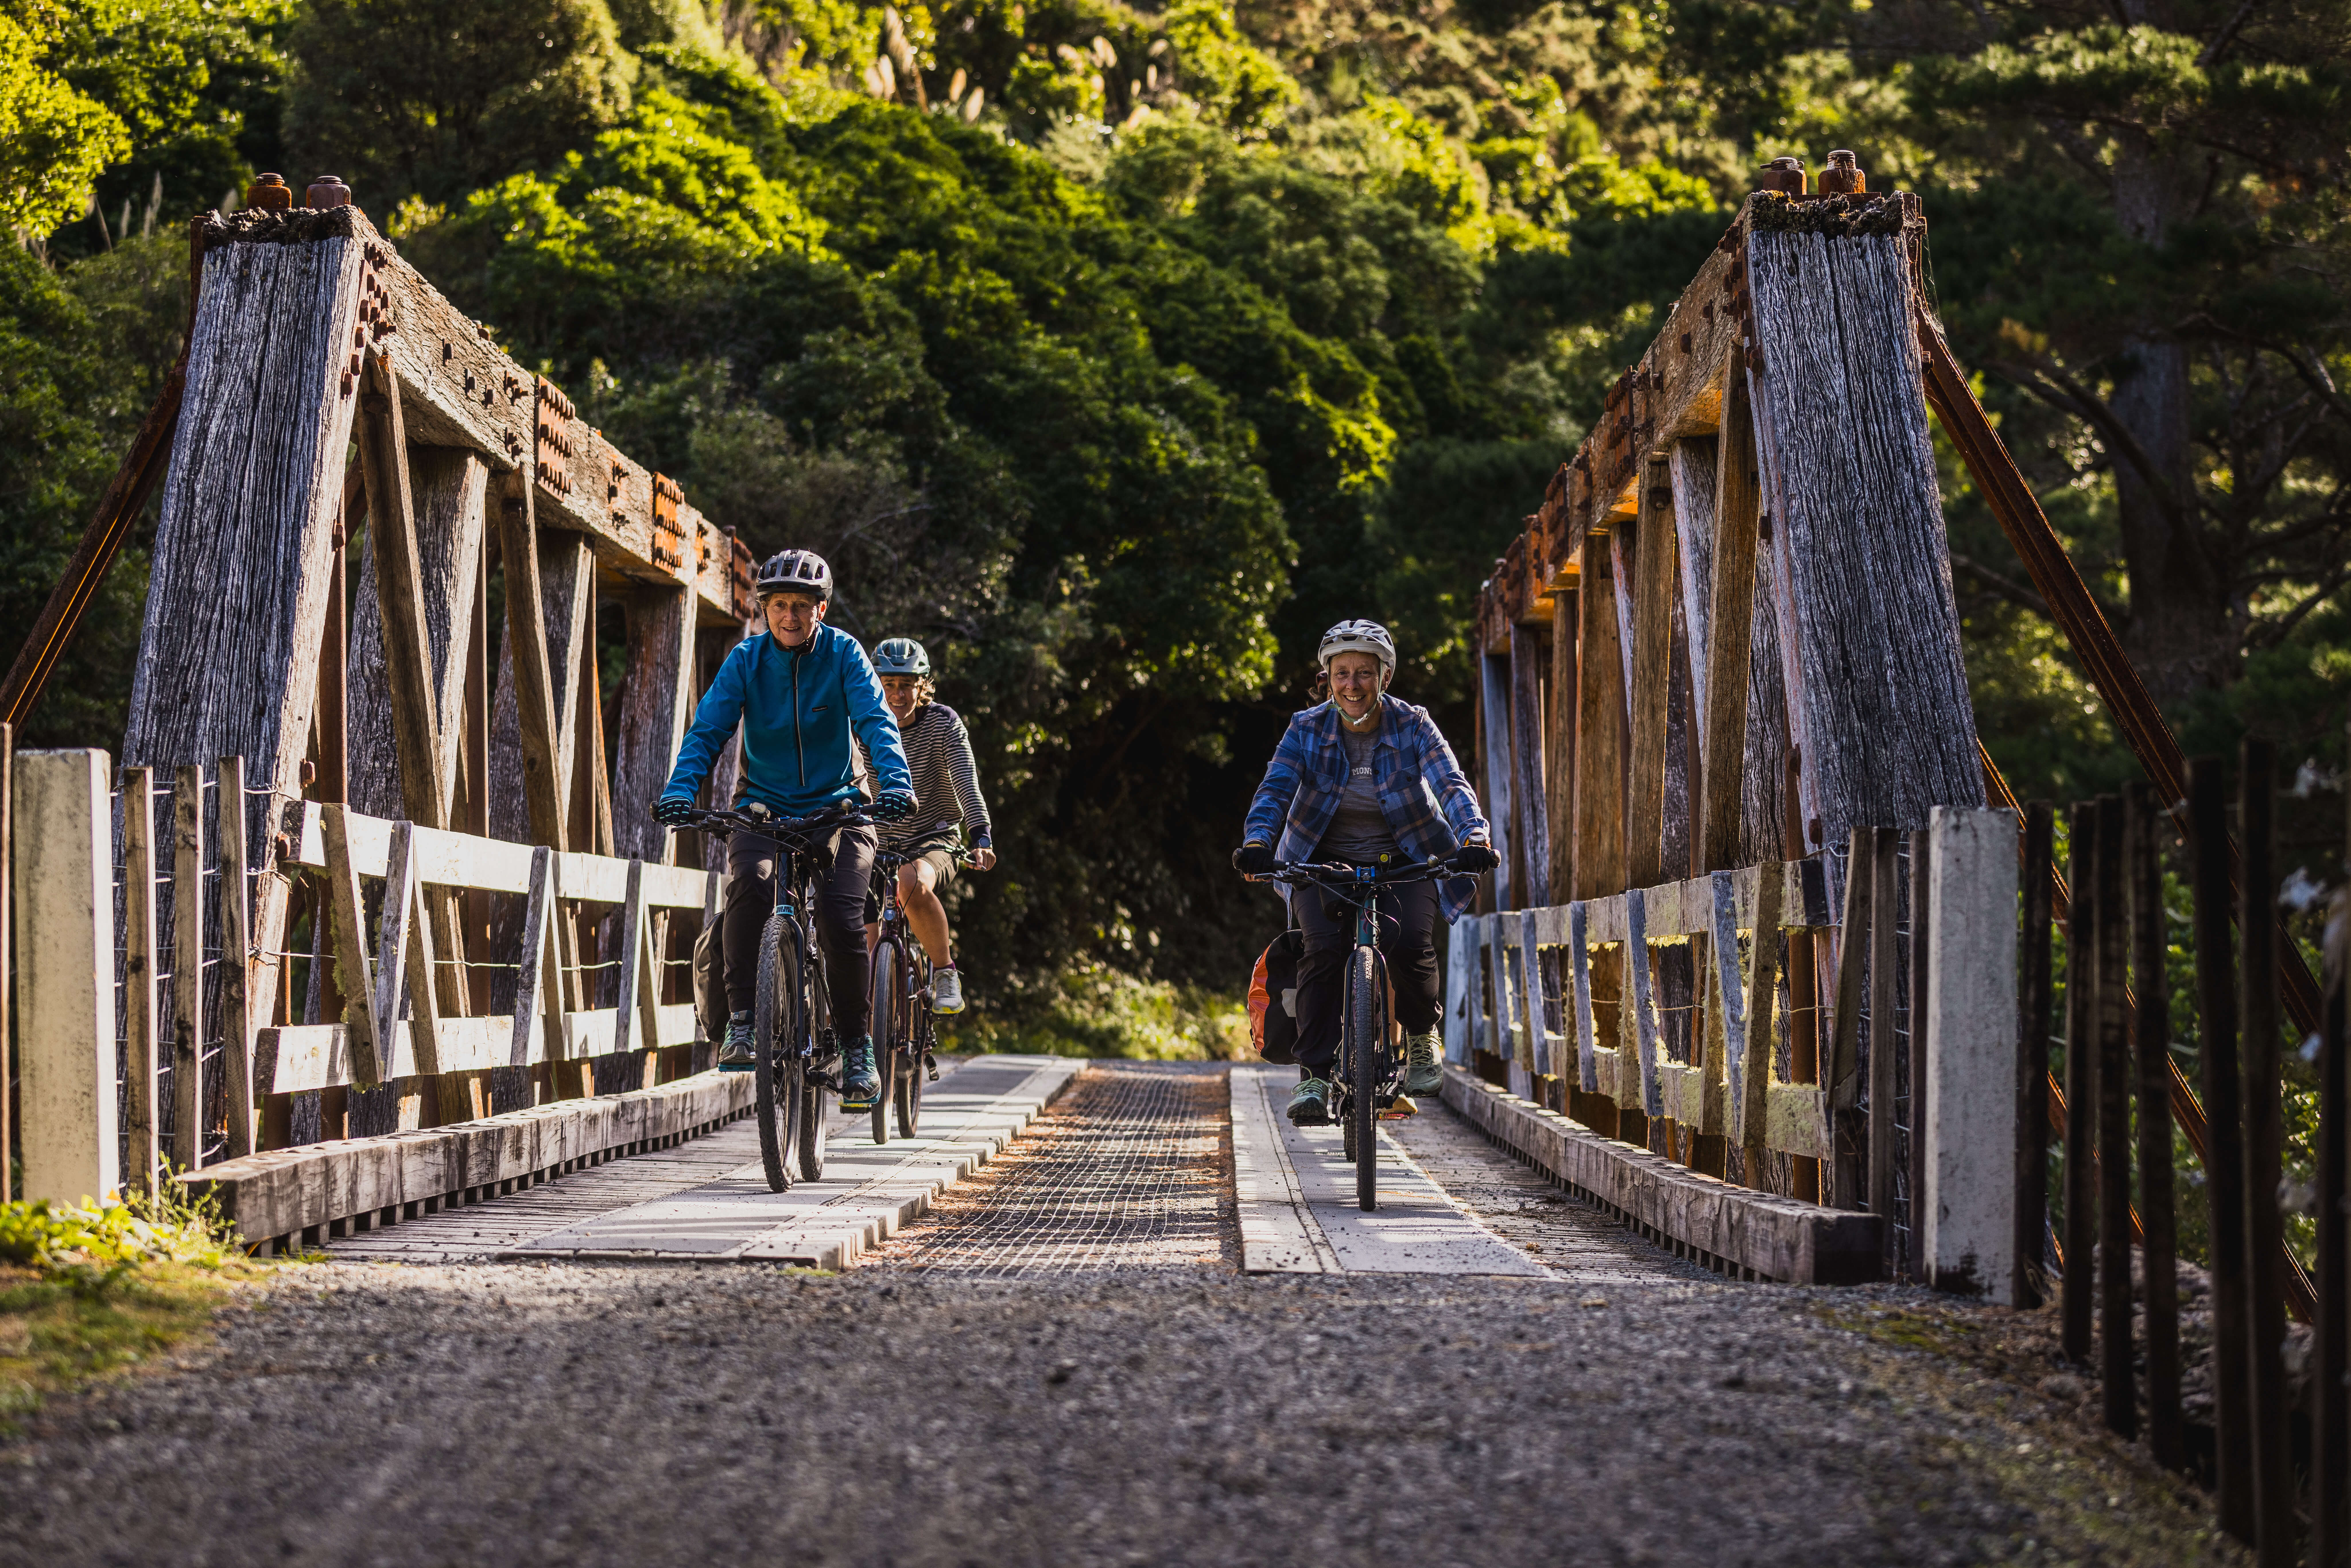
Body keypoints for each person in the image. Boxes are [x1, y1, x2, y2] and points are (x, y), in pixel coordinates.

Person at [655, 549, 914, 1110]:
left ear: (820, 608)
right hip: (764, 810)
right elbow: (708, 730)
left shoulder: (844, 654)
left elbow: (875, 720)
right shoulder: (747, 660)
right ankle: (744, 1022)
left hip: (841, 809)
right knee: (750, 882)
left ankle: (855, 1047)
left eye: (800, 606)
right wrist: (680, 790)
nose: (789, 617)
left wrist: (895, 782)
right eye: (778, 606)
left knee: (842, 916)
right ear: (762, 608)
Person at [1235, 620, 1498, 1127]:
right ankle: (1313, 1075)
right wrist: (1257, 843)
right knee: (1323, 952)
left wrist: (1474, 838)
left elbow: (1451, 785)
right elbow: (1275, 791)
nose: (1352, 685)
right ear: (1327, 678)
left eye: (1363, 673)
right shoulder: (1305, 728)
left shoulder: (1414, 725)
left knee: (1407, 943)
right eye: (1341, 674)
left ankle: (1422, 1038)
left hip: (1407, 855)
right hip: (1322, 859)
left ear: (1385, 676)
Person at [862, 638, 996, 1014]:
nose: (898, 694)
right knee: (866, 963)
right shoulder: (861, 722)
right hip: (874, 840)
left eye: (907, 685)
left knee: (911, 883)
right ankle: (877, 1044)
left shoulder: (942, 723)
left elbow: (966, 781)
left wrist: (981, 835)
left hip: (932, 837)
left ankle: (944, 972)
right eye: (888, 684)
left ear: (923, 686)